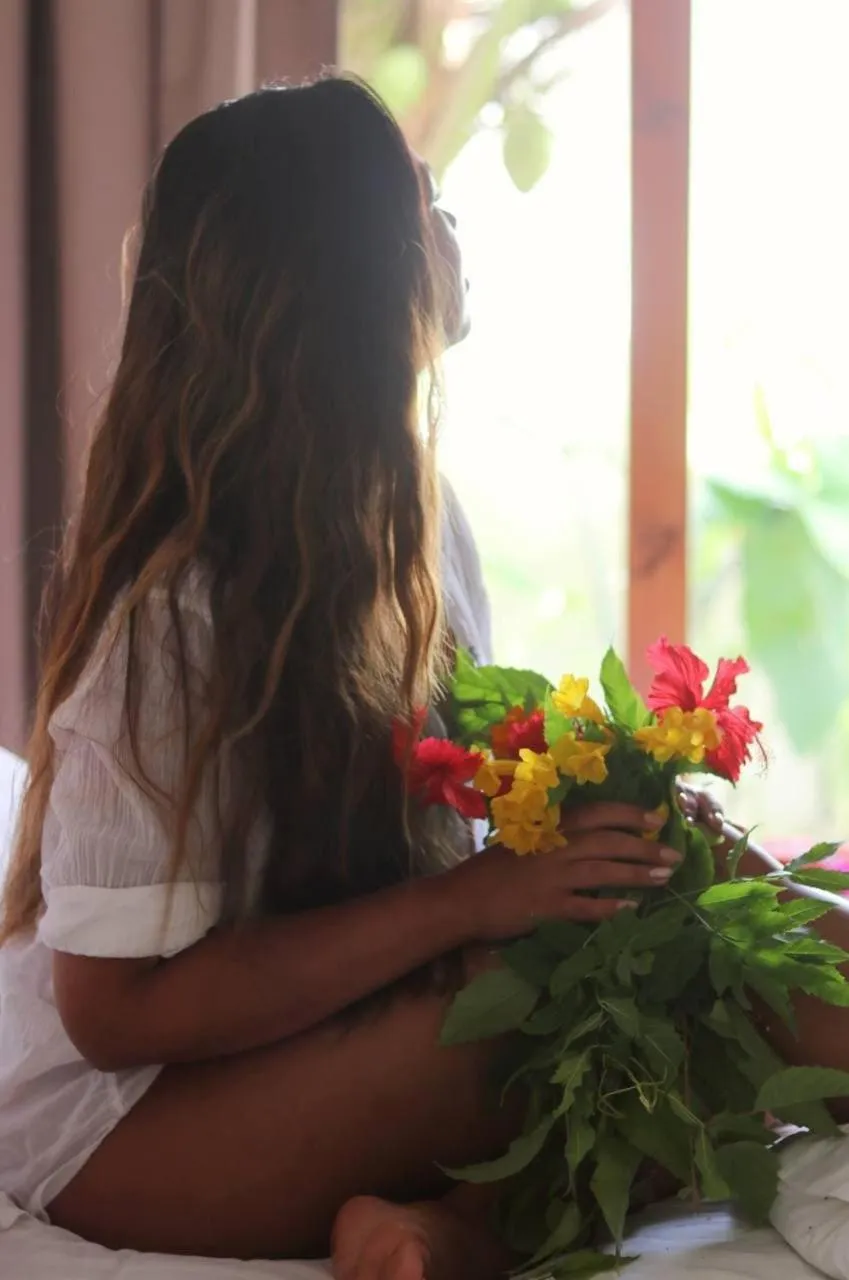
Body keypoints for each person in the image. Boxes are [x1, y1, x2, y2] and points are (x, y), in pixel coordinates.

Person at [0, 78, 687, 1277]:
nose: (453, 229)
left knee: (668, 912)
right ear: (354, 276)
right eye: (423, 205)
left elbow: (430, 830)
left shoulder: (412, 522)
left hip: (279, 1055)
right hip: (121, 1127)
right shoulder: (176, 615)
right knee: (631, 987)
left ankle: (435, 1234)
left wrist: (597, 834)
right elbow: (111, 1014)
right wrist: (470, 906)